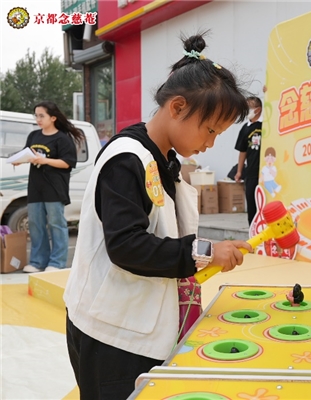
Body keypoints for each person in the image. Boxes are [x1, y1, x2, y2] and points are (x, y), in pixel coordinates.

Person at [63, 33, 253, 399]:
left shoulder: (163, 160)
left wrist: (207, 253)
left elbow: (163, 234)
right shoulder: (126, 159)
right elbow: (127, 245)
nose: (211, 143)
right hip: (112, 336)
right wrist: (205, 252)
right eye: (210, 130)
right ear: (178, 107)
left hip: (139, 326)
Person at [12, 101, 82, 273]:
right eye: (36, 115)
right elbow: (27, 154)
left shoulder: (62, 139)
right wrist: (19, 160)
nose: (38, 119)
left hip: (55, 188)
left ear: (53, 118)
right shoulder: (34, 136)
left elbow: (68, 163)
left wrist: (44, 160)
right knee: (35, 224)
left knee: (56, 224)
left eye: (41, 116)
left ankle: (57, 263)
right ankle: (37, 262)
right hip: (35, 187)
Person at [234, 96, 262, 226]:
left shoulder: (266, 125)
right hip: (251, 172)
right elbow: (242, 151)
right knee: (251, 204)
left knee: (264, 203)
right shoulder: (245, 128)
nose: (246, 110)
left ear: (258, 109)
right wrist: (239, 171)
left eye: (249, 107)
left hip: (265, 173)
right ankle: (253, 230)